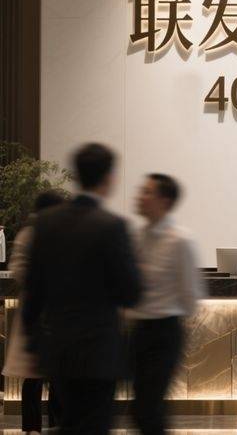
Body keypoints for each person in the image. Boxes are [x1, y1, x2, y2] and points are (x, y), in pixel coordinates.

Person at [22, 143, 142, 435]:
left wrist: (34, 345)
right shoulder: (112, 226)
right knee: (94, 425)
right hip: (99, 353)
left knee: (69, 421)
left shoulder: (46, 224)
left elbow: (33, 292)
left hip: (59, 350)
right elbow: (131, 293)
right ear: (109, 177)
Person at [128, 174, 205, 435]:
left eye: (147, 192)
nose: (140, 196)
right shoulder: (137, 236)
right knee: (141, 407)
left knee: (149, 408)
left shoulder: (180, 240)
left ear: (165, 200)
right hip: (138, 331)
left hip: (164, 332)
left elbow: (191, 295)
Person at [3, 190, 65, 434]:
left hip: (52, 314)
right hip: (38, 314)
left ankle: (52, 424)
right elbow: (19, 268)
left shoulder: (54, 234)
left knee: (54, 376)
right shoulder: (31, 235)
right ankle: (33, 427)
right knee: (36, 376)